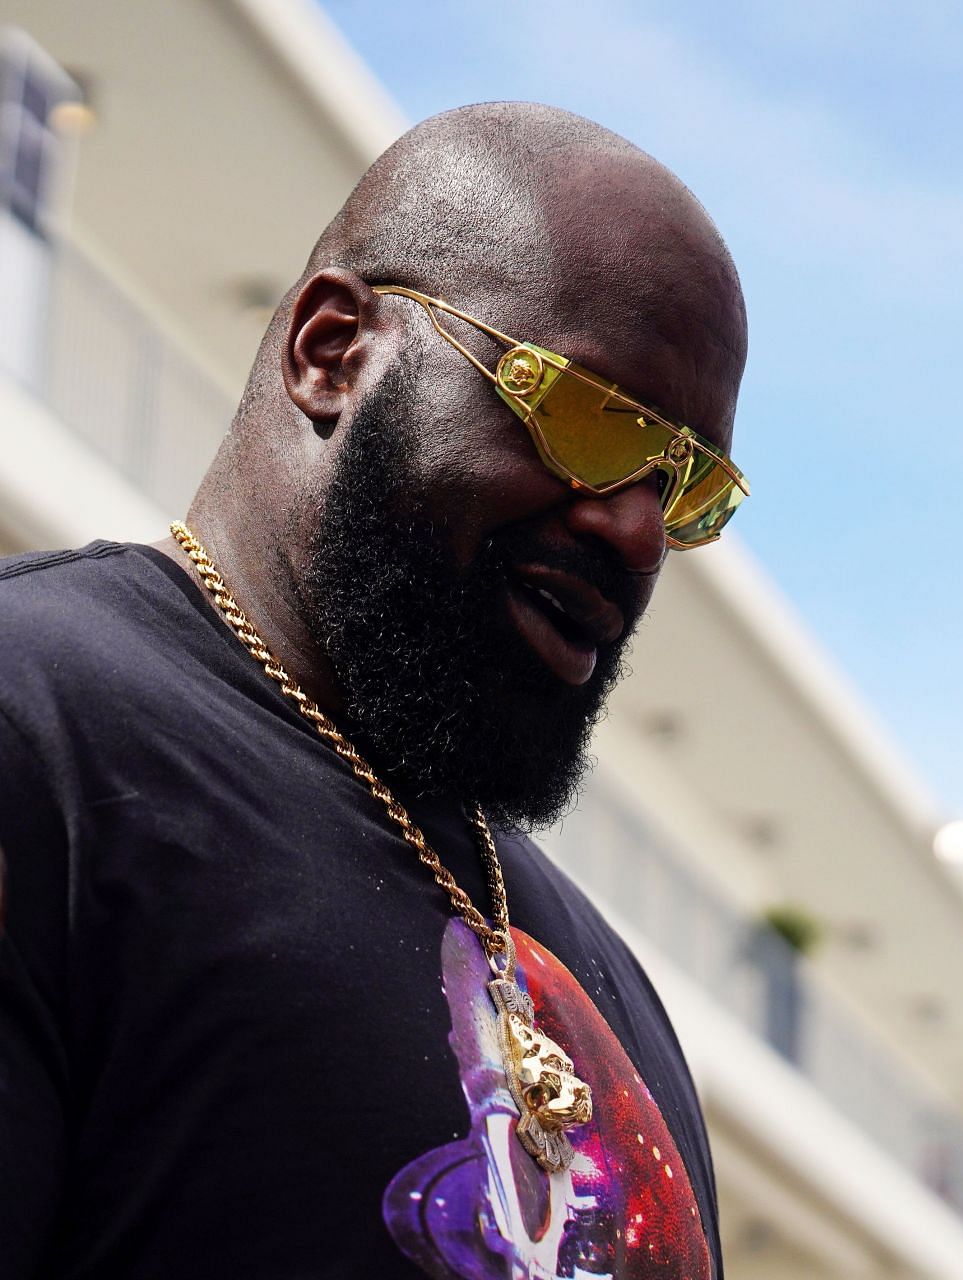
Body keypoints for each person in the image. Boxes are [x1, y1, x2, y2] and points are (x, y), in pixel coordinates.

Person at [0, 102, 749, 1279]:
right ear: (332, 350)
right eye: (590, 417)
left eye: (686, 485)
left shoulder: (616, 994)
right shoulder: (39, 729)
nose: (640, 530)